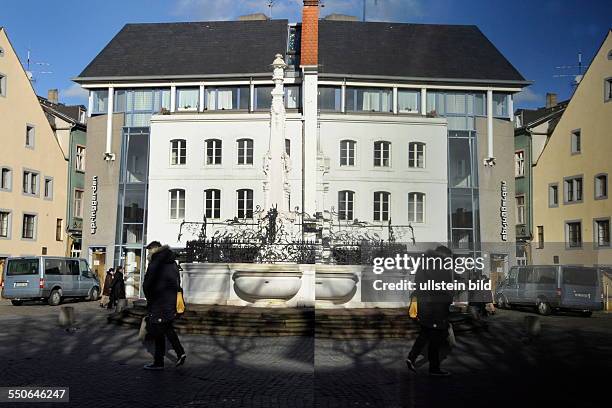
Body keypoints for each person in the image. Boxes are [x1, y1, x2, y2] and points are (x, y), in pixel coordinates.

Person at [405, 247, 454, 377]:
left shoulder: (424, 264)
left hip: (424, 307)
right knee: (435, 339)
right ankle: (434, 368)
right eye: (448, 257)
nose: (449, 260)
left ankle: (411, 358)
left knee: (425, 334)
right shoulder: (438, 267)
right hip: (434, 308)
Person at [142, 241, 186, 371]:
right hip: (170, 301)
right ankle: (180, 353)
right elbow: (177, 282)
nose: (148, 253)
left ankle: (158, 362)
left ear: (154, 249)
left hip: (159, 302)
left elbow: (148, 284)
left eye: (149, 250)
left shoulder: (156, 262)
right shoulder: (172, 262)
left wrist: (150, 298)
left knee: (158, 332)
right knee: (167, 328)